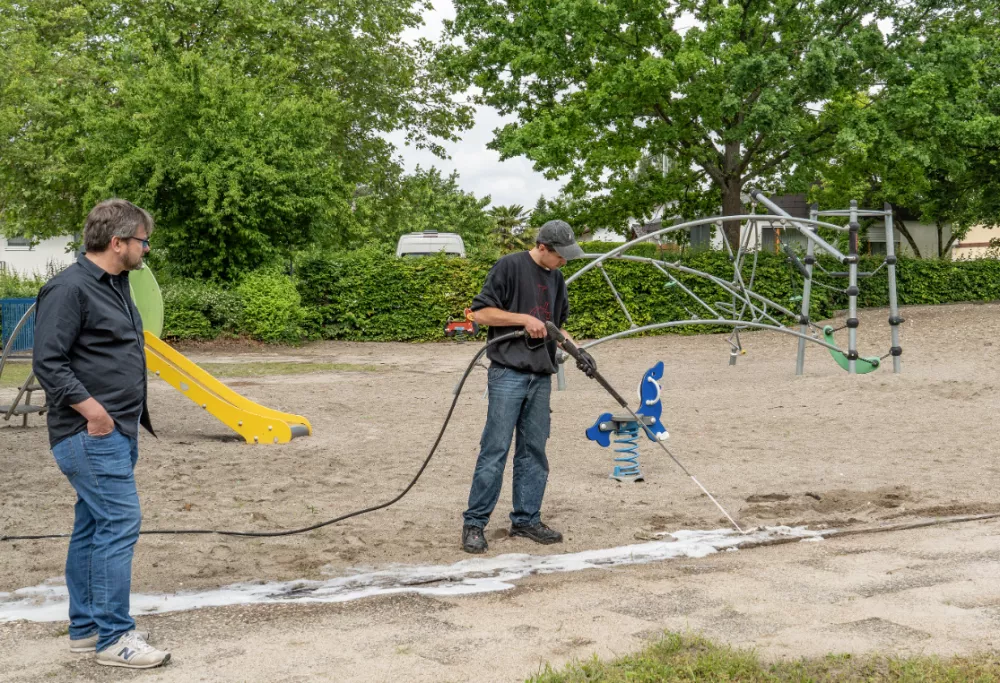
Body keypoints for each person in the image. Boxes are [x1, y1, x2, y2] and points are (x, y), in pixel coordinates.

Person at [33, 199, 171, 669]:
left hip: (117, 430)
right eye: (142, 241)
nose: (146, 249)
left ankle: (87, 628)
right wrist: (95, 413)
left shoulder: (117, 285)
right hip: (90, 432)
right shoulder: (68, 289)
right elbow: (48, 363)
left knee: (93, 525)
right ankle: (115, 638)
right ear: (118, 243)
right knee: (119, 524)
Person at [461, 219, 595, 554]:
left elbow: (556, 328)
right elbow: (481, 314)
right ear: (542, 247)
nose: (564, 261)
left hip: (541, 375)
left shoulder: (558, 278)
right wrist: (523, 318)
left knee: (534, 450)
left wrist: (579, 353)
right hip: (507, 373)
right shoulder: (509, 266)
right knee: (495, 449)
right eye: (560, 255)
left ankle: (526, 519)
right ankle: (475, 524)